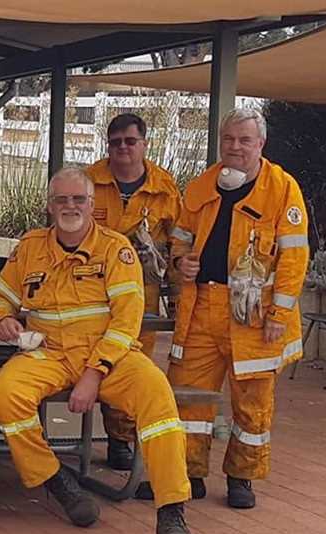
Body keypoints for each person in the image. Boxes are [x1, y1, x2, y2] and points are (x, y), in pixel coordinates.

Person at [0, 168, 194, 534]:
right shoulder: (30, 247)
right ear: (49, 206)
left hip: (109, 355)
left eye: (78, 199)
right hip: (48, 353)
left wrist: (94, 373)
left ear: (92, 205)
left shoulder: (116, 249)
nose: (70, 206)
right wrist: (1, 320)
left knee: (157, 396)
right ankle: (56, 480)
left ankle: (171, 510)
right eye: (61, 200)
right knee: (4, 395)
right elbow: (0, 295)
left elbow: (127, 320)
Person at [167, 108, 308, 509]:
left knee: (252, 402)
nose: (235, 147)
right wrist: (181, 261)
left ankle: (241, 478)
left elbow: (294, 259)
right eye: (229, 139)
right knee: (189, 398)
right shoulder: (200, 186)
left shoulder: (282, 189)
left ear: (260, 144)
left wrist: (279, 316)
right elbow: (179, 239)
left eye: (245, 140)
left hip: (255, 317)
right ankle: (189, 474)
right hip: (201, 308)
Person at [86, 113, 182, 470]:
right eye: (115, 142)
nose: (122, 148)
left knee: (131, 359)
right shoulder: (88, 181)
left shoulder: (164, 188)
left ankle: (121, 439)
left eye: (130, 141)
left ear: (144, 143)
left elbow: (179, 241)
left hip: (143, 291)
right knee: (96, 353)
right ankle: (102, 434)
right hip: (90, 289)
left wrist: (178, 288)